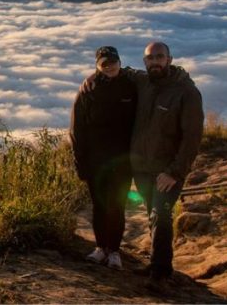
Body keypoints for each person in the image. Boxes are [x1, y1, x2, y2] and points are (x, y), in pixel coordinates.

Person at [128, 41, 204, 285]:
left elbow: (192, 138)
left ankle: (160, 274)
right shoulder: (143, 83)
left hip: (168, 171)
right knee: (153, 216)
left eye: (159, 57)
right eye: (150, 58)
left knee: (160, 214)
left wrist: (175, 172)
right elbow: (121, 72)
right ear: (145, 61)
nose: (155, 62)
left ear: (169, 60)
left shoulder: (186, 92)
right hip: (142, 168)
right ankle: (159, 264)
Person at [70, 45, 137, 271]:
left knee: (117, 205)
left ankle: (114, 251)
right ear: (97, 65)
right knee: (99, 205)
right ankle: (101, 248)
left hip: (123, 161)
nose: (109, 67)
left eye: (113, 62)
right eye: (104, 64)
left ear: (119, 62)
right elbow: (77, 129)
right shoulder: (88, 89)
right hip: (95, 160)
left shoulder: (131, 86)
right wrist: (80, 162)